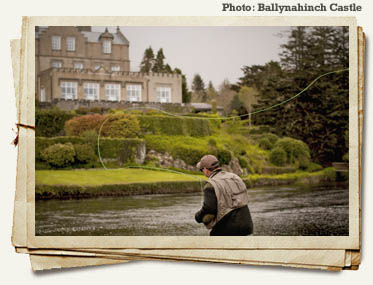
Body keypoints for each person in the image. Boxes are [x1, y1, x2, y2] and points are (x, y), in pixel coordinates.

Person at [195, 154, 253, 236]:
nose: (202, 172)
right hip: (247, 225)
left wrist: (198, 216)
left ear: (205, 169)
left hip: (228, 229)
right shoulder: (234, 177)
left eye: (201, 170)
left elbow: (209, 208)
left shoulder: (210, 186)